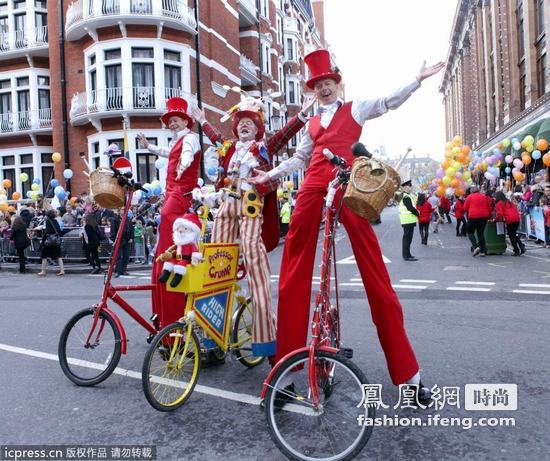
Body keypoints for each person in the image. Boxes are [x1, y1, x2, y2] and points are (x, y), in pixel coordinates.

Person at [250, 48, 444, 398]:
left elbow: (387, 101)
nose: (323, 88)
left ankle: (409, 377)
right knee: (293, 269)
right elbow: (299, 158)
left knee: (376, 275)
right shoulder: (311, 124)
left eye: (328, 82)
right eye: (317, 85)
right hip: (312, 187)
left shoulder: (355, 108)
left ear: (337, 85)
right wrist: (270, 175)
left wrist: (416, 80)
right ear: (311, 90)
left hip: (346, 182)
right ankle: (287, 375)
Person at [192, 95, 314, 358]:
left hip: (250, 205)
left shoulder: (264, 147)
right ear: (236, 128)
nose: (244, 125)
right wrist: (202, 121)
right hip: (226, 204)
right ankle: (212, 336)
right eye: (241, 122)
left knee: (252, 254)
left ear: (257, 127)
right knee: (216, 262)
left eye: (249, 122)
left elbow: (283, 134)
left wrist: (302, 115)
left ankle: (266, 338)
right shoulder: (230, 148)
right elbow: (215, 138)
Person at [137, 97, 201, 328]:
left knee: (166, 217)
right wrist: (149, 147)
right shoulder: (177, 141)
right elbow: (168, 152)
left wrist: (184, 164)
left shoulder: (191, 139)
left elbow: (187, 154)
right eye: (170, 121)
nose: (172, 124)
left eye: (176, 120)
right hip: (174, 189)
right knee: (164, 218)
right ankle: (165, 251)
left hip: (182, 191)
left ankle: (169, 252)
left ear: (185, 120)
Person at [494, 191, 525, 256]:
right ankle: (521, 246)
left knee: (512, 236)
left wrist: (496, 220)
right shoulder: (509, 202)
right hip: (516, 218)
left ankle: (516, 250)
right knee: (513, 234)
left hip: (510, 220)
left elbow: (500, 214)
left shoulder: (499, 203)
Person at [464, 186, 492, 257]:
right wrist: (489, 216)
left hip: (473, 216)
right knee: (480, 234)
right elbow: (489, 206)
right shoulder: (484, 196)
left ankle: (476, 247)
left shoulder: (470, 197)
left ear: (471, 191)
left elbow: (465, 207)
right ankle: (482, 251)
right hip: (484, 217)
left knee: (470, 232)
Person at [37, 209, 65, 276]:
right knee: (59, 256)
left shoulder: (48, 221)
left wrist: (43, 241)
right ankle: (62, 270)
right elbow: (59, 230)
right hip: (56, 241)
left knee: (44, 256)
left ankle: (43, 271)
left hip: (49, 241)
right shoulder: (56, 221)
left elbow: (47, 231)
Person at [111, 209, 134, 277]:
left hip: (127, 239)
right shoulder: (115, 220)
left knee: (126, 256)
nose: (124, 211)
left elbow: (131, 229)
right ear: (119, 211)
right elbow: (113, 230)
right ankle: (118, 270)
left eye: (124, 210)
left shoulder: (128, 219)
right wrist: (114, 239)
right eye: (122, 210)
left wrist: (131, 237)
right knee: (118, 256)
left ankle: (124, 269)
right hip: (119, 240)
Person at [399, 180, 419, 260]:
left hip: (409, 220)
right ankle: (406, 256)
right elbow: (410, 208)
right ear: (405, 187)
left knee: (408, 239)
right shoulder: (406, 197)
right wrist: (418, 213)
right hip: (407, 220)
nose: (411, 188)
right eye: (410, 186)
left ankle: (408, 254)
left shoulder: (408, 195)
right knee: (407, 239)